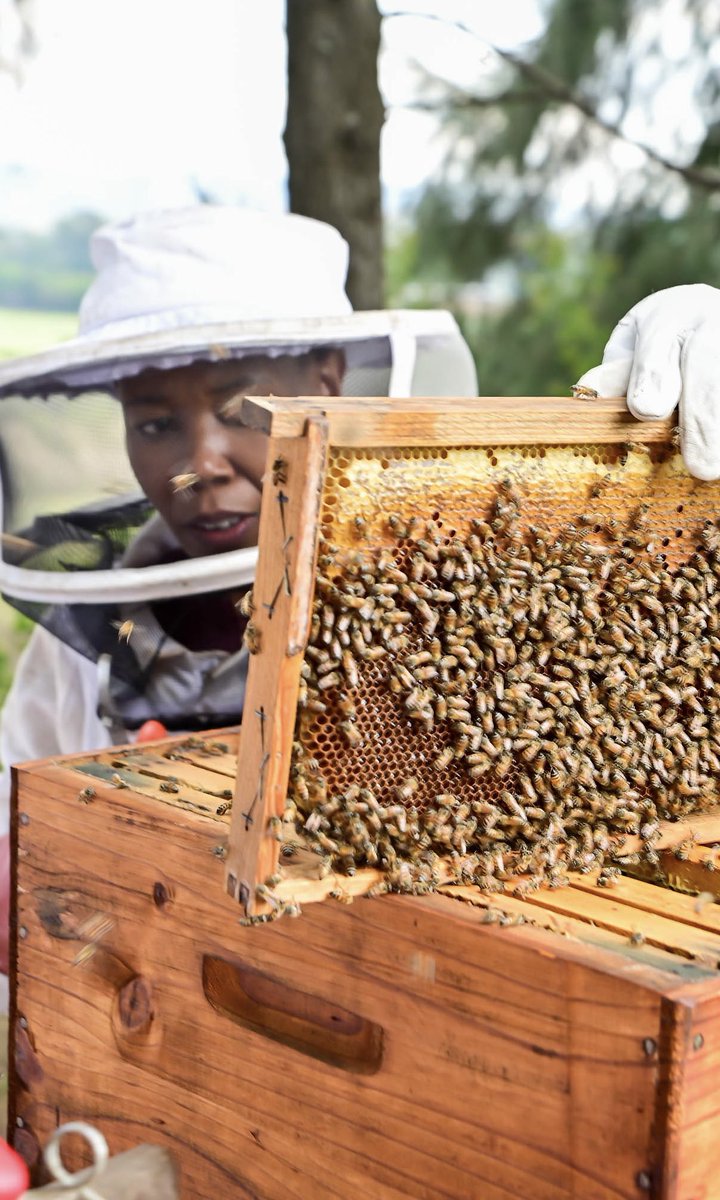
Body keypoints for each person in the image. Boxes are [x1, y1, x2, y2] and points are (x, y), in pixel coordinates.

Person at [0, 206, 718, 973]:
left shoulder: (448, 608)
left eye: (240, 409)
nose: (200, 462)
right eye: (152, 425)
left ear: (329, 382)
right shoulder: (82, 641)